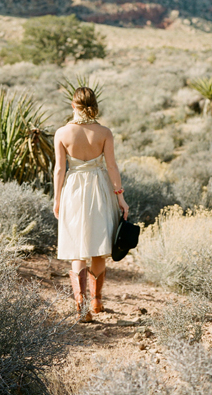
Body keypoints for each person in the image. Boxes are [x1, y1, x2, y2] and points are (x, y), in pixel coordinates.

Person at [53, 86, 129, 322]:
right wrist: (120, 196)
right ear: (94, 105)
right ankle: (96, 302)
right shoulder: (104, 132)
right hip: (99, 187)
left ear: (73, 105)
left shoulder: (62, 133)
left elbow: (59, 170)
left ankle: (81, 307)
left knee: (78, 247)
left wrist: (56, 199)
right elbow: (112, 167)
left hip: (73, 189)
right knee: (98, 244)